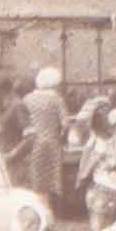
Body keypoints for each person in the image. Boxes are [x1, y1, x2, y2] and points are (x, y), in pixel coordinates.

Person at [20, 67, 69, 205]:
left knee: (35, 178)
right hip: (52, 144)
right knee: (50, 180)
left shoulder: (27, 99)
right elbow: (65, 123)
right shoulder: (57, 99)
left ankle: (37, 206)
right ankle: (47, 208)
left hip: (32, 144)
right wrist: (62, 136)